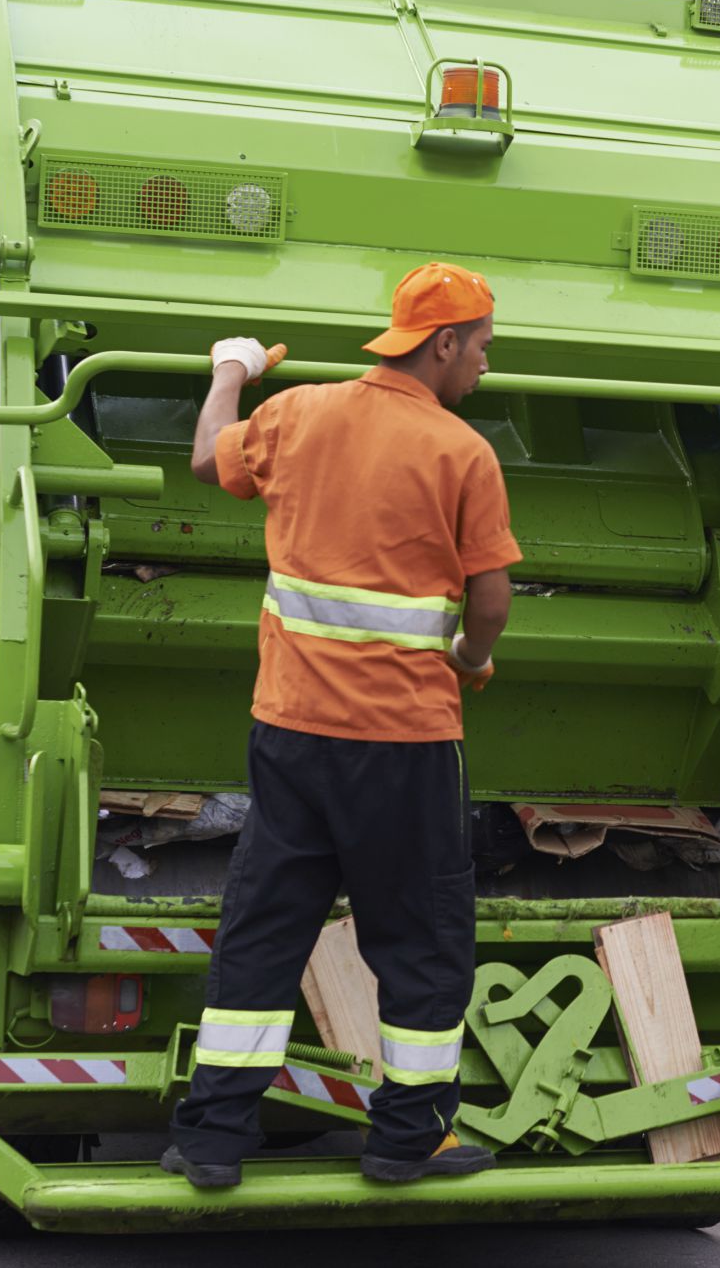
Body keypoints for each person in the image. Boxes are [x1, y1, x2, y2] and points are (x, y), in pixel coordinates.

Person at [163, 262, 520, 1189]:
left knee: (265, 925)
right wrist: (473, 663)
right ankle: (408, 1136)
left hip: (290, 732)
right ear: (443, 342)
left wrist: (231, 371)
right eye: (481, 345)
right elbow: (490, 601)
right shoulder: (462, 453)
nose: (485, 364)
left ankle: (211, 1137)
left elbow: (207, 461)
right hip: (403, 743)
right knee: (421, 937)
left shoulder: (298, 413)